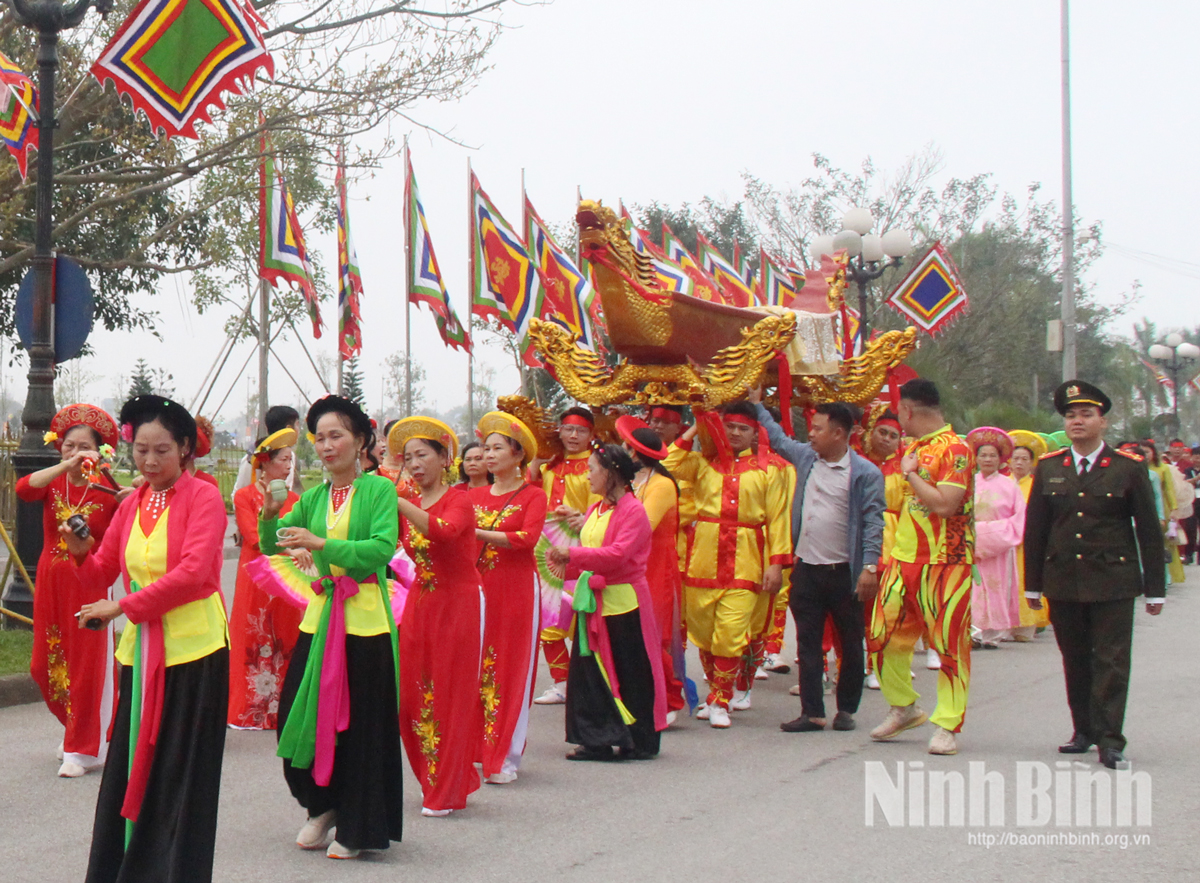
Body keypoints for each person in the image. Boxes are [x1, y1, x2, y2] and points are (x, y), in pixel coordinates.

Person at [63, 395, 229, 883]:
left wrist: (123, 607)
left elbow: (194, 574)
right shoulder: (132, 503)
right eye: (140, 450)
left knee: (181, 778)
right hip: (141, 654)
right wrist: (79, 550)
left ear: (185, 449)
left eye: (162, 450)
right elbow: (101, 572)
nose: (150, 461)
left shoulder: (204, 498)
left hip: (194, 653)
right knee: (128, 771)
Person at [260, 395, 403, 859]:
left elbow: (381, 548)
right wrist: (269, 513)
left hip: (365, 622)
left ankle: (357, 824)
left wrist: (321, 543)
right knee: (296, 717)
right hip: (321, 620)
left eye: (336, 435)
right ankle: (320, 805)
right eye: (319, 437)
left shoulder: (379, 491)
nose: (325, 445)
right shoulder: (314, 498)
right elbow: (275, 543)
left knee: (359, 728)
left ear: (360, 441)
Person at [1024, 381, 1165, 769]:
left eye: (1086, 414)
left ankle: (1110, 739)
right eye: (1070, 415)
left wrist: (1155, 589)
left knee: (1111, 660)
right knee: (1075, 658)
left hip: (1113, 580)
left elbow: (1148, 531)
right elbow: (1036, 530)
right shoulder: (1050, 467)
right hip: (1063, 578)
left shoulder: (1127, 468)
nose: (1077, 421)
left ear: (1102, 421)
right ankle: (1083, 730)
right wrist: (1032, 584)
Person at [750, 393, 885, 733]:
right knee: (808, 643)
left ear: (839, 434)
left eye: (818, 428)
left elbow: (873, 522)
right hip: (808, 569)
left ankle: (846, 709)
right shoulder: (807, 458)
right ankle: (812, 712)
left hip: (845, 573)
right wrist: (757, 404)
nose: (810, 434)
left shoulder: (865, 473)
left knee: (851, 644)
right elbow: (778, 439)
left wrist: (869, 567)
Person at [664, 402, 793, 728]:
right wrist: (697, 426)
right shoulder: (702, 463)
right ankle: (715, 692)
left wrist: (777, 564)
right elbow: (668, 462)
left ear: (755, 433)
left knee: (731, 631)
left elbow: (779, 518)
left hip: (746, 558)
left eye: (742, 428)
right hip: (703, 557)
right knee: (704, 631)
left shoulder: (770, 469)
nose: (735, 433)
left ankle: (721, 699)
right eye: (729, 426)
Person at [868, 379, 974, 756]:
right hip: (903, 560)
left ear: (909, 410)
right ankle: (904, 707)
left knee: (949, 645)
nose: (898, 418)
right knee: (880, 636)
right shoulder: (911, 448)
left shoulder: (956, 449)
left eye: (899, 411)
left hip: (947, 562)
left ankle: (947, 725)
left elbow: (945, 504)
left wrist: (911, 474)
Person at [16, 404, 120, 778]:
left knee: (86, 666)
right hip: (50, 582)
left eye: (84, 447)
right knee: (44, 664)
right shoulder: (53, 481)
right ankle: (79, 729)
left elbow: (118, 541)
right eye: (68, 446)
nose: (75, 453)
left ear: (101, 451)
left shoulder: (107, 490)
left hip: (88, 583)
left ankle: (83, 747)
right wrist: (64, 466)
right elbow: (23, 489)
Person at [547, 443, 667, 760]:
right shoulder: (595, 509)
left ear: (611, 473)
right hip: (594, 602)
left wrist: (572, 554)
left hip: (624, 603)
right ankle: (596, 739)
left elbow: (617, 555)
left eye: (591, 469)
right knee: (590, 672)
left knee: (631, 672)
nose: (586, 476)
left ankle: (636, 739)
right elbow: (591, 554)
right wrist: (563, 566)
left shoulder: (634, 511)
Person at [390, 416, 485, 816]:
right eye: (408, 458)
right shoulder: (409, 504)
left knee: (450, 695)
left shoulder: (459, 499)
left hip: (459, 603)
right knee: (411, 697)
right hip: (421, 603)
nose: (414, 464)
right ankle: (440, 777)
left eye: (422, 455)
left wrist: (400, 503)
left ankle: (446, 790)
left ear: (445, 458)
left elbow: (444, 532)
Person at [470, 411, 548, 784]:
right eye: (485, 448)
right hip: (479, 587)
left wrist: (478, 533)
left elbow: (527, 539)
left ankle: (504, 756)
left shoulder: (534, 496)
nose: (488, 455)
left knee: (510, 666)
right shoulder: (473, 496)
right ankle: (476, 748)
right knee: (477, 665)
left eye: (497, 448)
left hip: (516, 589)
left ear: (518, 454)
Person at [228, 429, 302, 729]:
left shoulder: (296, 499)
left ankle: (282, 708)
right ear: (265, 462)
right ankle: (250, 709)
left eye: (290, 461)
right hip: (256, 576)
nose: (288, 466)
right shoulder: (244, 496)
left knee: (286, 633)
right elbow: (254, 536)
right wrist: (292, 547)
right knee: (253, 633)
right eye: (283, 460)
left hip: (286, 576)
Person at [616, 415, 685, 720]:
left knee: (655, 633)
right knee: (632, 634)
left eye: (624, 446)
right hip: (633, 565)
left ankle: (667, 700)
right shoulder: (632, 483)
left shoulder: (663, 485)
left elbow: (644, 525)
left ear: (633, 452)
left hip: (657, 566)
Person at [531, 406, 600, 705]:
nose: (573, 436)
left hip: (582, 548)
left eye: (581, 430)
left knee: (584, 614)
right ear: (559, 431)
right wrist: (535, 466)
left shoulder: (595, 467)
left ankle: (593, 683)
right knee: (549, 618)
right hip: (547, 550)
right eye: (568, 429)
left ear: (591, 435)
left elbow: (601, 507)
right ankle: (562, 682)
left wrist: (584, 518)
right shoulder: (549, 467)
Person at [966, 427, 1026, 648]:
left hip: (999, 547)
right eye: (983, 455)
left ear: (1000, 459)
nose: (988, 459)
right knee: (972, 589)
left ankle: (993, 635)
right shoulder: (968, 482)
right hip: (969, 545)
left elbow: (1019, 518)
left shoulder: (1010, 485)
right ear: (976, 458)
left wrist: (987, 535)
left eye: (992, 455)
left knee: (997, 587)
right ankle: (973, 632)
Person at [1007, 430, 1050, 641]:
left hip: (1027, 543)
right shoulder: (1001, 484)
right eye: (1016, 458)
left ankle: (1025, 625)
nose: (1019, 463)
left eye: (1025, 459)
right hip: (1002, 543)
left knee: (1024, 580)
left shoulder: (1037, 485)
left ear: (1033, 463)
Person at [1141, 439, 1186, 585]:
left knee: (1164, 544)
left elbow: (1169, 490)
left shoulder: (1163, 469)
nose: (1144, 455)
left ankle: (1167, 576)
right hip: (1142, 509)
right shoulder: (1134, 469)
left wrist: (1174, 508)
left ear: (1154, 453)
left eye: (1147, 452)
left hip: (1162, 508)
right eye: (1141, 452)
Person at [233, 405, 303, 495]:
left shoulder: (292, 456)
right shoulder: (253, 457)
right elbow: (238, 493)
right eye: (297, 425)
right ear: (289, 428)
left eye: (288, 460)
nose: (288, 465)